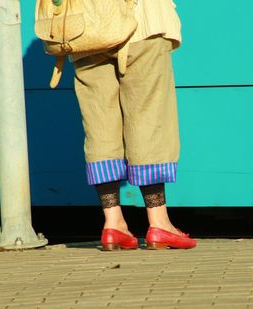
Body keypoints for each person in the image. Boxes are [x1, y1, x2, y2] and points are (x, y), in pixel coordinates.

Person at [71, 0, 196, 250]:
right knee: (149, 118)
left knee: (99, 124)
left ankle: (113, 222)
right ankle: (159, 222)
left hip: (84, 30)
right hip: (141, 25)